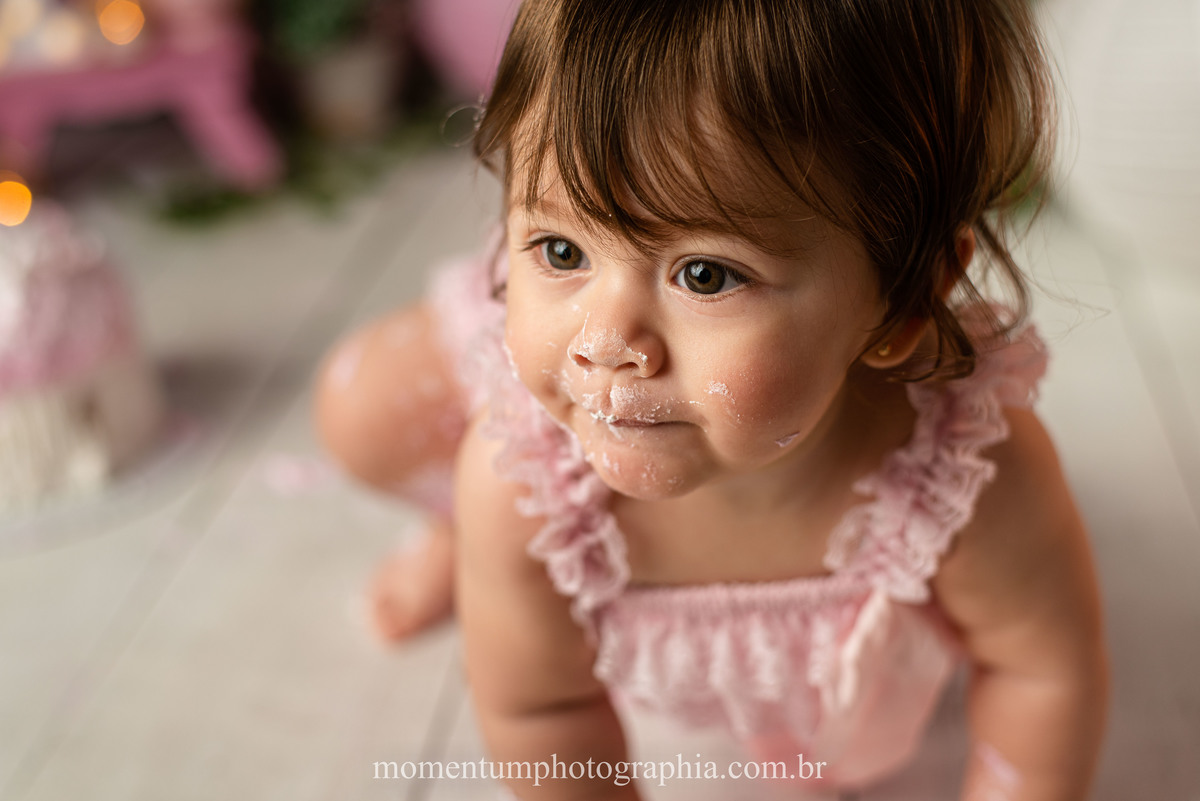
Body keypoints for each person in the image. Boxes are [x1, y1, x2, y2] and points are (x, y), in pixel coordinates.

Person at [315, 1, 1109, 798]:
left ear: (903, 300)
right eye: (560, 249)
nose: (605, 341)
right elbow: (542, 711)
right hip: (518, 497)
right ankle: (454, 542)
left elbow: (1041, 673)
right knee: (365, 409)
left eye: (706, 274)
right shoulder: (524, 488)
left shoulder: (967, 478)